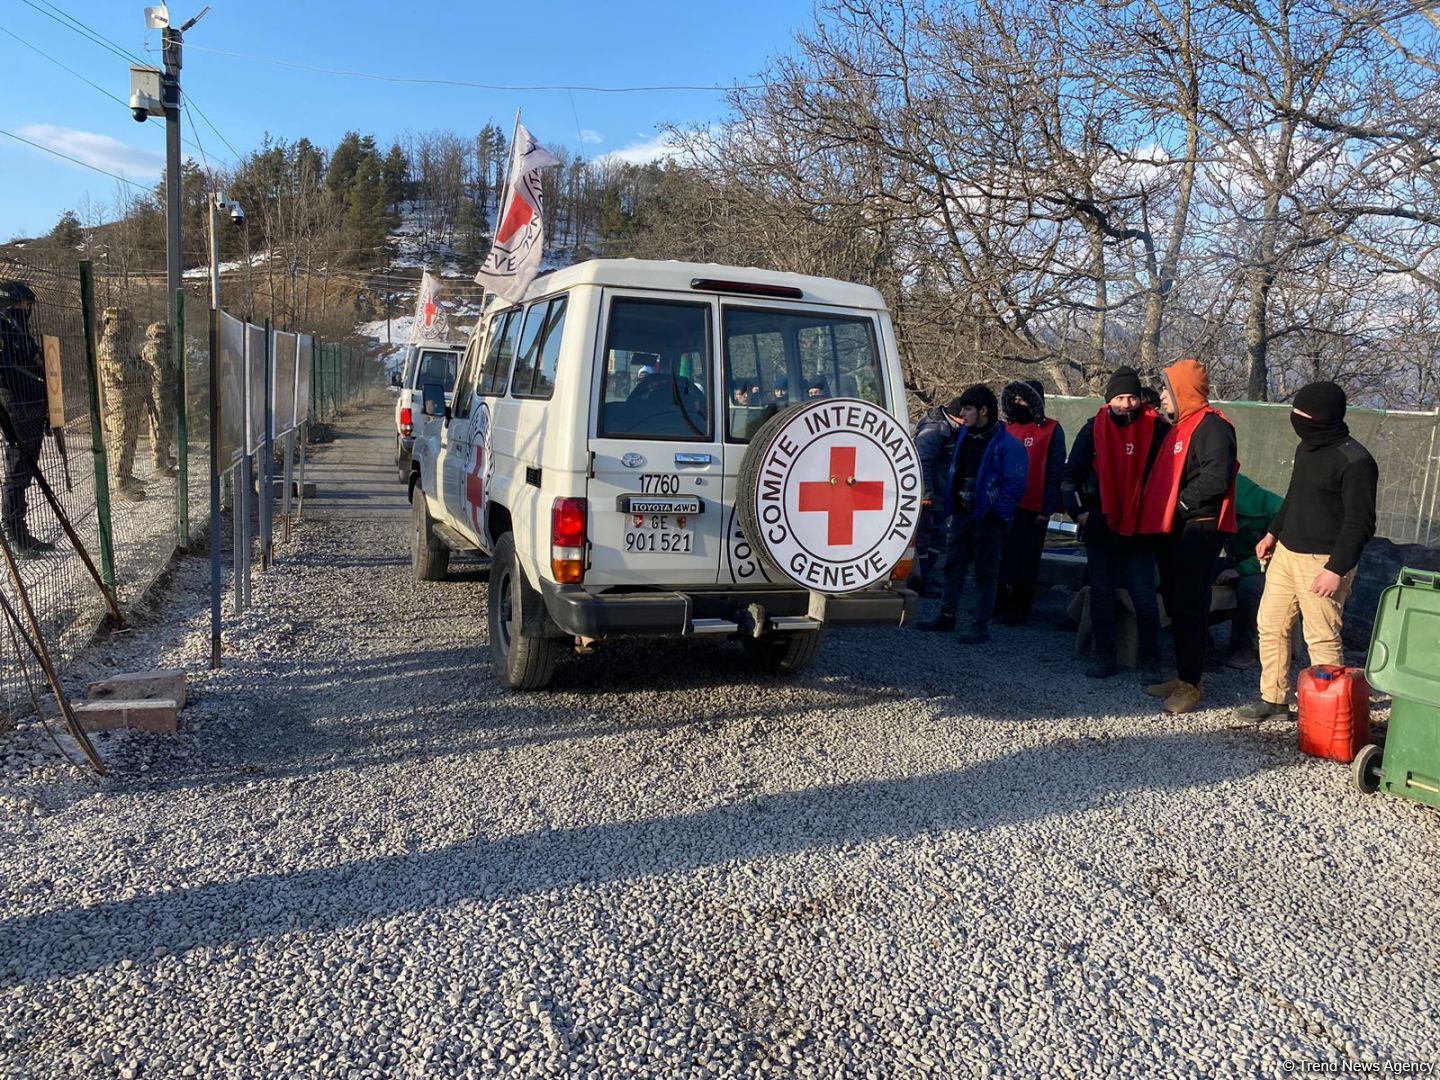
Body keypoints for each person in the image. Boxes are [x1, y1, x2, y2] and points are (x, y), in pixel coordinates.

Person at [1234, 382, 1378, 721]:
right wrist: (1272, 533)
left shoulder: (1356, 462)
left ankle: (1329, 715)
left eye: (1301, 413)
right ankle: (1274, 699)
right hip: (1286, 553)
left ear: (1322, 417)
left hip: (1323, 562)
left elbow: (1361, 523)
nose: (1295, 418)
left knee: (1322, 637)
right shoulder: (1306, 448)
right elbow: (1294, 496)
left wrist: (1336, 569)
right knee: (1270, 626)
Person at [1139, 358, 1239, 715]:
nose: (1162, 395)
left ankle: (1191, 684)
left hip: (1198, 528)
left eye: (1166, 388)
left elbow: (1217, 476)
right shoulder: (1179, 426)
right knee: (1175, 603)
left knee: (1190, 605)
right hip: (1176, 527)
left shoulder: (1213, 426)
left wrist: (1180, 503)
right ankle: (1183, 674)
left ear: (1182, 390)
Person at [1061, 366, 1167, 681]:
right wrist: (1079, 513)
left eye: (1132, 397)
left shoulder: (1157, 429)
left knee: (1144, 597)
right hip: (1101, 523)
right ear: (1109, 400)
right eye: (1120, 398)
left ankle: (1151, 661)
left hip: (1140, 528)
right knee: (1101, 593)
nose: (1126, 404)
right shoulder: (1092, 430)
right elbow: (1070, 475)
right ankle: (1105, 656)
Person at [915, 384, 1028, 644]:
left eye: (967, 408)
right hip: (962, 515)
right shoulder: (964, 436)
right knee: (953, 566)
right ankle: (946, 616)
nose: (962, 413)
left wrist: (997, 515)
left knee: (985, 572)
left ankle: (979, 625)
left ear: (983, 411)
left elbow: (1015, 483)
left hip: (989, 519)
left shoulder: (1008, 445)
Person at [996, 380, 1067, 625]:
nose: (1018, 404)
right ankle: (999, 603)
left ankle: (1020, 608)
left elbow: (1056, 472)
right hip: (1005, 504)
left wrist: (1047, 508)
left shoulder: (1052, 430)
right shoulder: (1007, 428)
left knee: (1026, 560)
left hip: (1034, 507)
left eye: (1023, 399)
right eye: (1015, 399)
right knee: (1002, 555)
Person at [0, 281, 55, 554]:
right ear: (11, 303)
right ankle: (15, 533)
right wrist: (33, 377)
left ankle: (20, 531)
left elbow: (35, 355)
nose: (28, 308)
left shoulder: (18, 329)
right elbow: (5, 372)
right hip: (16, 407)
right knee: (17, 471)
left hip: (32, 406)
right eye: (24, 303)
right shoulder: (3, 327)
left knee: (25, 471)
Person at [1216, 474, 1285, 668]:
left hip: (1273, 568)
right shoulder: (1224, 507)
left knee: (1249, 587)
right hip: (1239, 562)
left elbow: (1282, 552)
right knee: (1200, 573)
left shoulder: (1275, 509)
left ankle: (1245, 648)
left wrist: (1242, 570)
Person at [910, 395, 965, 597]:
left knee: (937, 537)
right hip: (930, 496)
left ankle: (927, 577)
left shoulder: (949, 430)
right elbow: (921, 461)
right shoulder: (935, 431)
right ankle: (922, 580)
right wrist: (926, 492)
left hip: (940, 494)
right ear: (957, 415)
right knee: (925, 538)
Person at [97, 306, 146, 501]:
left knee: (130, 438)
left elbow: (138, 365)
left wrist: (140, 370)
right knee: (122, 438)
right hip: (120, 396)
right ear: (111, 323)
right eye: (122, 322)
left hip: (131, 395)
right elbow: (125, 372)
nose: (127, 326)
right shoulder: (109, 345)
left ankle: (126, 475)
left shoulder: (124, 345)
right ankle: (121, 483)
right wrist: (142, 373)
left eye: (127, 321)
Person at [142, 321, 177, 476]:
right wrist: (176, 375)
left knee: (166, 425)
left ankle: (164, 457)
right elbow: (162, 375)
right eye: (166, 334)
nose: (169, 338)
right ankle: (159, 464)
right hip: (158, 393)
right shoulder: (154, 349)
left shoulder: (161, 349)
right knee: (159, 426)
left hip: (165, 392)